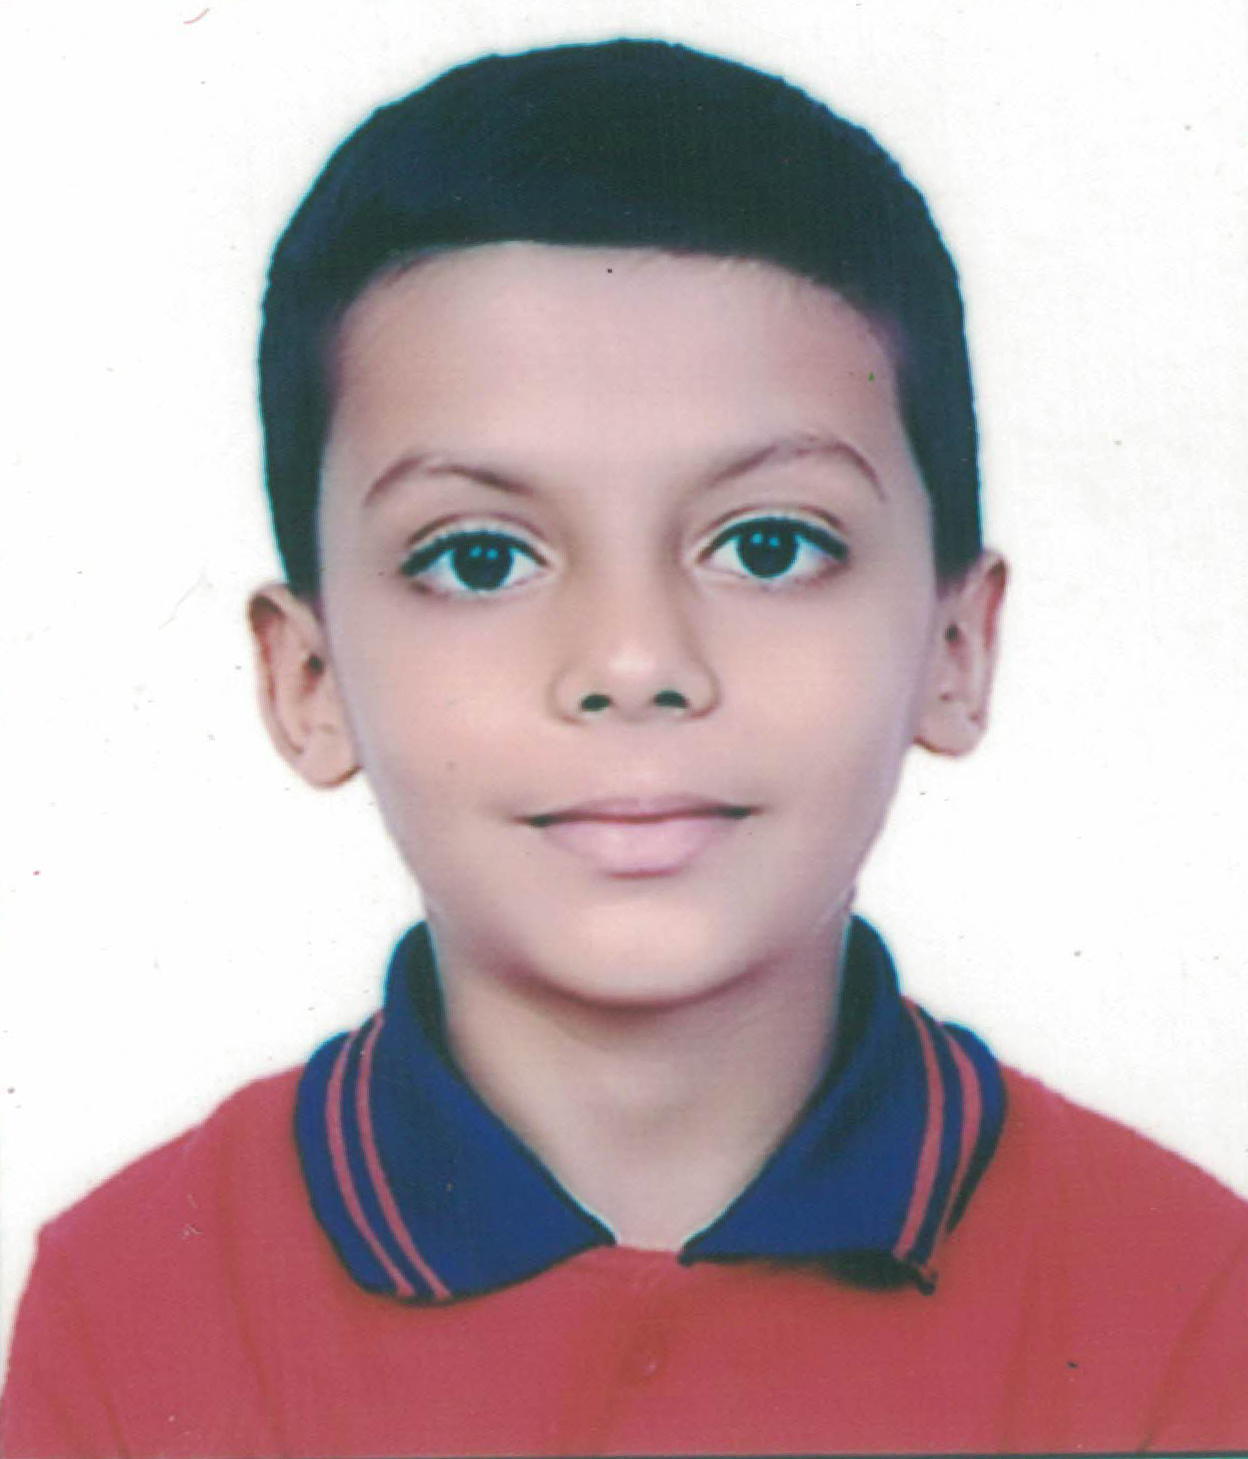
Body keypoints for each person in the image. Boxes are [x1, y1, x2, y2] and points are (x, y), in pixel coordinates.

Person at [2, 38, 1245, 1457]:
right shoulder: (140, 1307)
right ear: (310, 677)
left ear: (956, 646)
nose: (634, 662)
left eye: (767, 546)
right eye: (479, 558)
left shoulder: (1182, 1299)